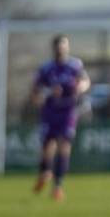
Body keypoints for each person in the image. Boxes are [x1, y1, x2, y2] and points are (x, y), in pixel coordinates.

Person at [32, 35, 90, 201]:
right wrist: (47, 93)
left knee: (64, 145)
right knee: (47, 147)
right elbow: (36, 92)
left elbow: (86, 81)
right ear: (55, 48)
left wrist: (81, 87)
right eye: (59, 46)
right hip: (50, 111)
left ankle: (57, 187)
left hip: (68, 111)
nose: (61, 49)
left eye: (64, 46)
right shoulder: (46, 68)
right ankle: (45, 172)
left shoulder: (75, 65)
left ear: (68, 47)